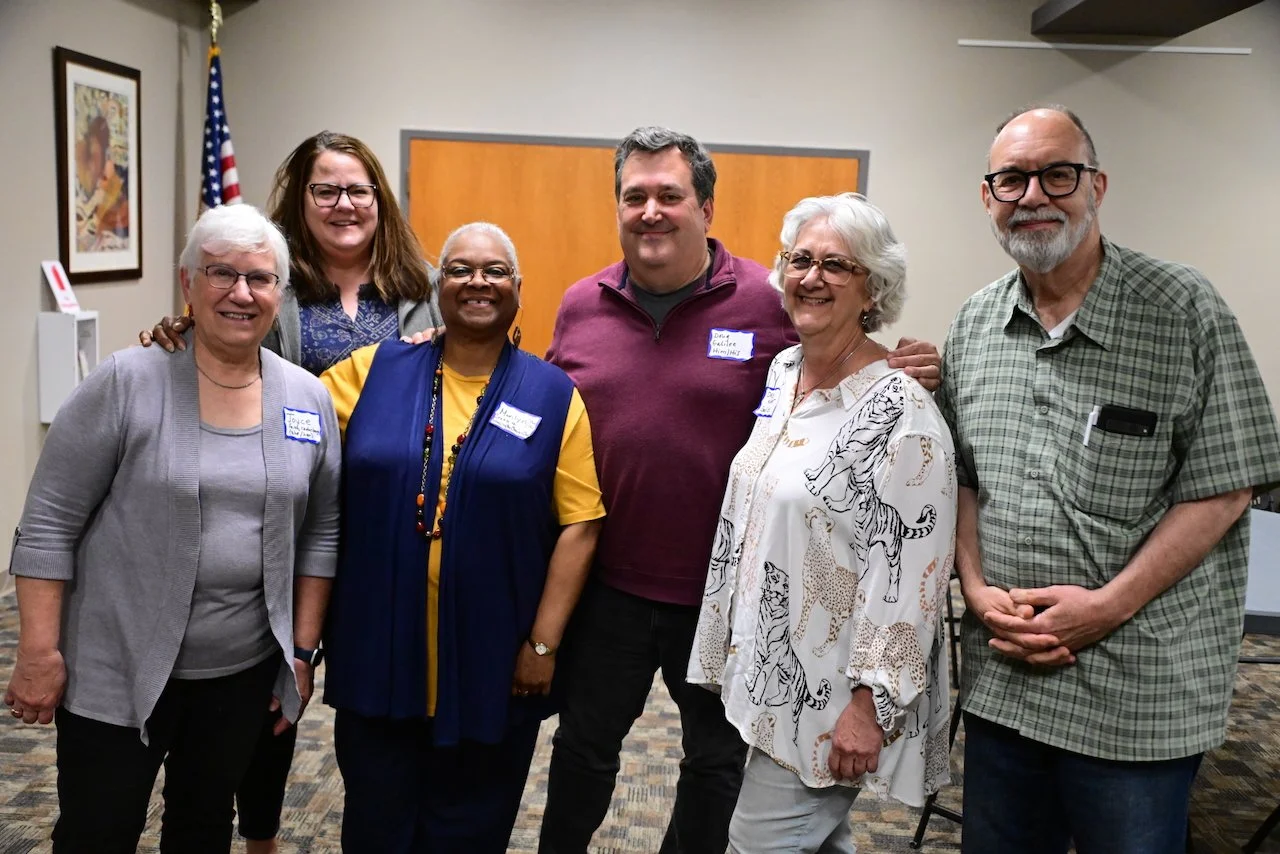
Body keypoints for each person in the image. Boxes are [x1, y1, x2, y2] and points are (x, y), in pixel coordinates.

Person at [538, 126, 944, 854]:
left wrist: (907, 363)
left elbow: (851, 362)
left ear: (707, 206)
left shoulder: (767, 300)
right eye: (635, 196)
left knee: (718, 763)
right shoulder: (581, 304)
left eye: (670, 195)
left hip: (725, 599)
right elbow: (544, 408)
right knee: (583, 749)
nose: (651, 211)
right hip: (612, 590)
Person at [936, 104, 1280, 853]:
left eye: (1057, 174)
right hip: (1006, 677)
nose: (1033, 195)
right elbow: (963, 477)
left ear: (1096, 185)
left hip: (1134, 689)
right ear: (987, 196)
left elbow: (1228, 485)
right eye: (1012, 178)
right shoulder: (973, 325)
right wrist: (974, 585)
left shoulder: (1183, 309)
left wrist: (1105, 608)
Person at [3, 204, 340, 854]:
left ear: (280, 293)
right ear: (187, 284)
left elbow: (321, 533)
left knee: (202, 828)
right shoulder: (126, 382)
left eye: (261, 278)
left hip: (239, 673)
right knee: (97, 832)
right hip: (117, 670)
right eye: (221, 273)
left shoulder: (307, 397)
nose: (241, 293)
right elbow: (48, 523)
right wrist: (38, 653)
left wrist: (300, 651)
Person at [139, 130, 441, 853]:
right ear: (298, 201)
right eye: (325, 189)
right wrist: (178, 334)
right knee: (269, 686)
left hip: (390, 527)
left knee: (379, 696)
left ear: (380, 199)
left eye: (358, 189)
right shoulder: (268, 280)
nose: (344, 204)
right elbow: (224, 351)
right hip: (291, 518)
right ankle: (264, 835)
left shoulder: (423, 288)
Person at [319, 221, 605, 853]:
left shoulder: (553, 394)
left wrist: (543, 644)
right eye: (460, 269)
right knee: (374, 826)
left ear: (518, 289)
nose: (478, 282)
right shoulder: (373, 371)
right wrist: (190, 341)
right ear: (437, 286)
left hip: (492, 661)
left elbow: (580, 524)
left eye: (495, 270)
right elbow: (271, 404)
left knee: (471, 829)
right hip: (378, 649)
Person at [687, 192, 957, 853]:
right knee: (818, 839)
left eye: (837, 264)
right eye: (800, 259)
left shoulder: (903, 413)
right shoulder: (784, 372)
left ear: (875, 287)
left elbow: (911, 578)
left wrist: (869, 707)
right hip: (774, 668)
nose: (812, 277)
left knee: (758, 841)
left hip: (832, 693)